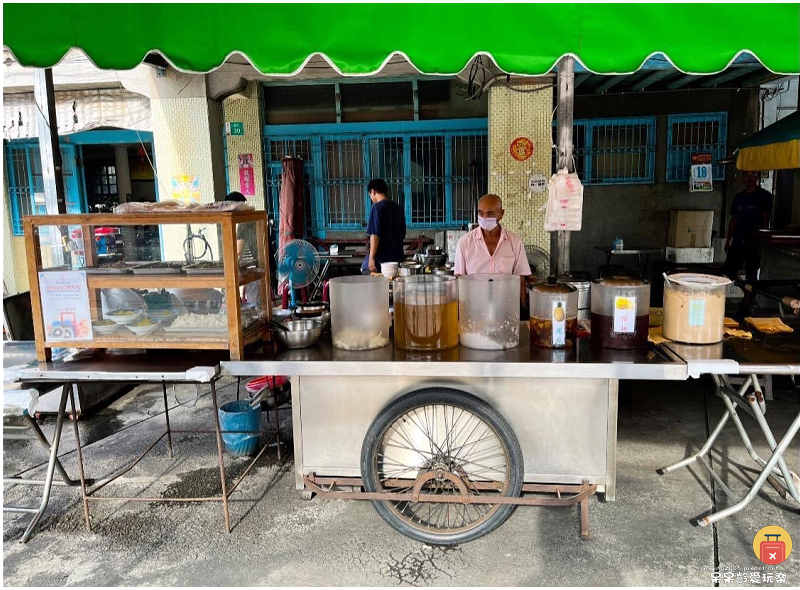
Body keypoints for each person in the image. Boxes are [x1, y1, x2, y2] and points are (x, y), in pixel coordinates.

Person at [454, 194, 531, 305]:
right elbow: (459, 279)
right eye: (481, 213)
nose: (484, 217)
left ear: (501, 214)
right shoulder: (465, 243)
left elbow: (521, 278)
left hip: (505, 307)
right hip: (474, 307)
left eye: (490, 213)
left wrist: (522, 311)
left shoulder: (515, 243)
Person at [723, 171, 772, 282]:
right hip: (738, 240)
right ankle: (745, 288)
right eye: (746, 175)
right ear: (742, 177)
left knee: (751, 273)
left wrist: (762, 244)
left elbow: (766, 220)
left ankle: (749, 295)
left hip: (754, 242)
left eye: (753, 174)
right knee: (728, 270)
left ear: (758, 176)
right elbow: (734, 219)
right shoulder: (739, 197)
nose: (749, 178)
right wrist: (728, 240)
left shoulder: (765, 196)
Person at [361, 178, 406, 274]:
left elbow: (375, 234)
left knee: (365, 269)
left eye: (370, 194)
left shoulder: (377, 207)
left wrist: (371, 258)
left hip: (381, 260)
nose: (371, 197)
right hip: (397, 258)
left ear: (373, 191)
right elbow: (402, 234)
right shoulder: (398, 208)